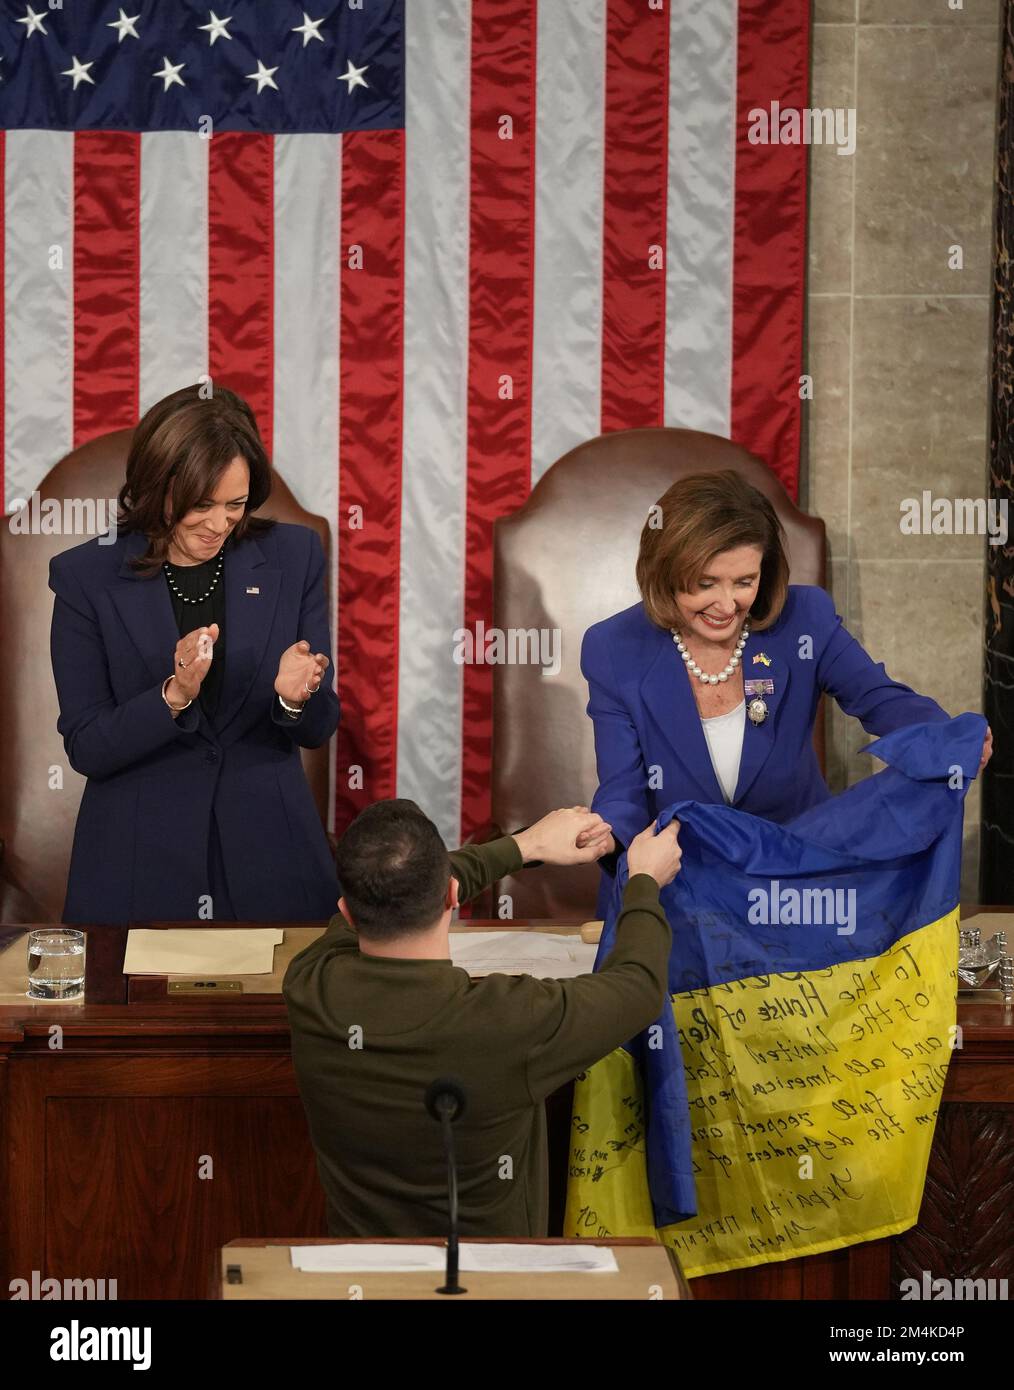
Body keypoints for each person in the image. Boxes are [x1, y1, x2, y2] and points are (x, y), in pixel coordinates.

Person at [579, 469, 993, 916]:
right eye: (704, 583)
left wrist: (950, 737)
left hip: (795, 889)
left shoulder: (804, 619)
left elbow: (881, 700)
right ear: (665, 571)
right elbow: (623, 790)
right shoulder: (613, 647)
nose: (726, 604)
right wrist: (608, 834)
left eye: (744, 582)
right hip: (676, 894)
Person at [283, 799, 681, 1238]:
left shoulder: (309, 984)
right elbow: (639, 987)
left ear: (345, 913)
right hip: (494, 1280)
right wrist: (644, 881)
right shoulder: (510, 1019)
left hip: (359, 1277)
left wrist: (525, 845)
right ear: (453, 896)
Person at [48, 383, 340, 923]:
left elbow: (317, 727)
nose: (219, 524)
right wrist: (173, 695)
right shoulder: (84, 577)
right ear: (156, 487)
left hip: (273, 859)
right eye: (200, 505)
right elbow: (87, 746)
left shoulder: (294, 556)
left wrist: (297, 699)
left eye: (235, 504)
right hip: (139, 866)